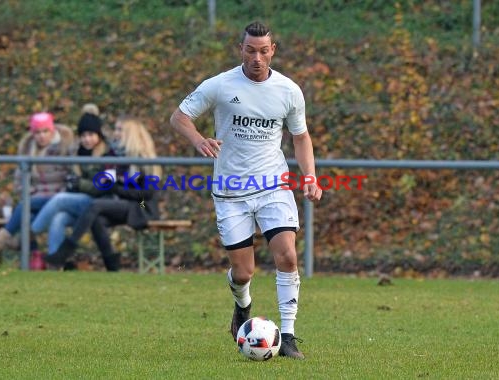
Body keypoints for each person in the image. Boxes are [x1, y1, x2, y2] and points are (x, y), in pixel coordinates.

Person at [169, 21, 322, 359]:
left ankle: (290, 336)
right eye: (250, 50)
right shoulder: (220, 85)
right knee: (243, 271)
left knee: (287, 255)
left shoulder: (289, 90)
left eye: (263, 51)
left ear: (273, 51)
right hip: (230, 189)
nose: (257, 57)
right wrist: (198, 140)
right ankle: (243, 304)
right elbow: (179, 117)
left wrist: (309, 176)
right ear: (241, 49)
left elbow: (300, 137)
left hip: (273, 184)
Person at [44, 115, 161, 269]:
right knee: (96, 218)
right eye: (116, 129)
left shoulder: (144, 160)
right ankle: (112, 265)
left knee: (95, 205)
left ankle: (65, 251)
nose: (116, 133)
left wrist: (116, 187)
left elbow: (145, 195)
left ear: (130, 134)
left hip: (142, 207)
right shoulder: (115, 156)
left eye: (120, 129)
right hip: (125, 203)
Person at [29, 104, 120, 271]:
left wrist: (79, 184)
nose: (87, 139)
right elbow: (73, 182)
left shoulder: (109, 155)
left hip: (101, 204)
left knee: (59, 199)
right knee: (59, 218)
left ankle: (31, 232)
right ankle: (55, 265)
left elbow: (105, 186)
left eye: (91, 134)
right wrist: (74, 184)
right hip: (82, 204)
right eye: (83, 135)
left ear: (98, 135)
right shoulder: (77, 153)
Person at [0, 112, 75, 256]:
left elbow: (72, 176)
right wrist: (30, 191)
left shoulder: (65, 149)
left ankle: (0, 241)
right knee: (27, 216)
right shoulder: (28, 149)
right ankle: (34, 257)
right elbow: (20, 180)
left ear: (52, 130)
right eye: (37, 132)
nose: (41, 136)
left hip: (59, 198)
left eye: (45, 131)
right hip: (36, 198)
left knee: (24, 206)